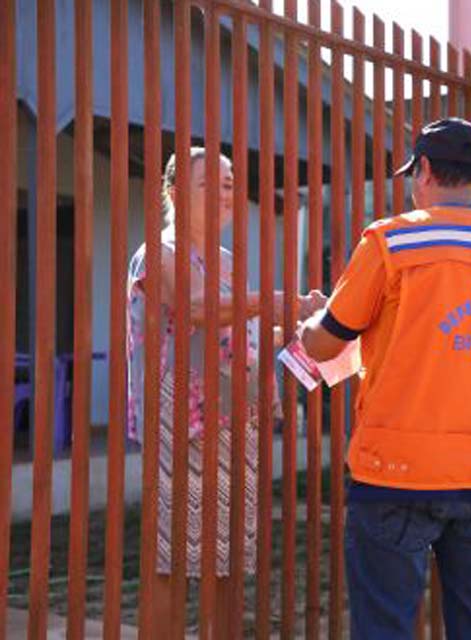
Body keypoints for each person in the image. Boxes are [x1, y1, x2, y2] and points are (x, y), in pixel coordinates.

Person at [300, 118, 471, 639]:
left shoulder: (391, 242)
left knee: (386, 625)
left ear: (424, 171)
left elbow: (323, 343)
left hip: (395, 471)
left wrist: (314, 318)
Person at [125, 148, 324, 629]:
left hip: (234, 417)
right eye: (209, 184)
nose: (225, 194)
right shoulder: (159, 252)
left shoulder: (226, 260)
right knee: (172, 561)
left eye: (231, 184)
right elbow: (196, 310)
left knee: (229, 559)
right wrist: (279, 302)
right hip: (180, 420)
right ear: (173, 193)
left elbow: (238, 334)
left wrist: (304, 326)